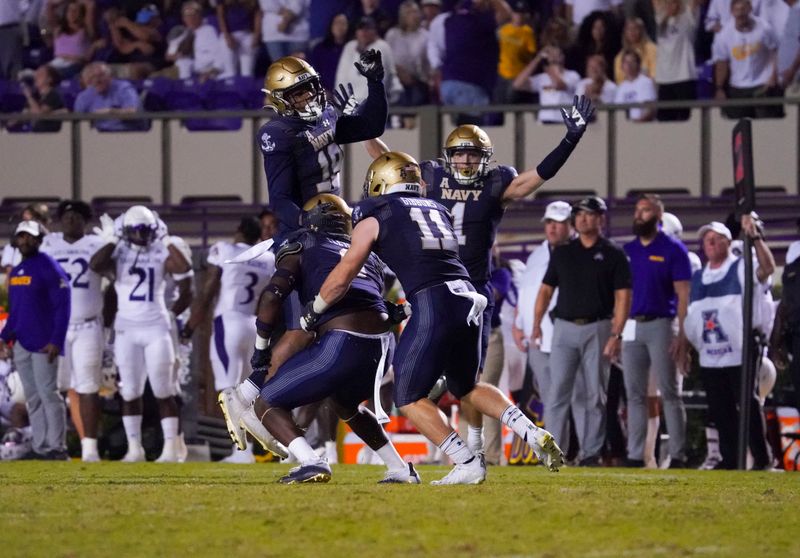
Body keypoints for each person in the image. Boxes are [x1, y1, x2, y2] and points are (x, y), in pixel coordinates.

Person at [302, 152, 565, 485]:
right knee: (466, 386)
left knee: (409, 397)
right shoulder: (436, 208)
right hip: (469, 296)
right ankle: (529, 430)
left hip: (434, 300)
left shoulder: (377, 212)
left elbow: (344, 274)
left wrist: (316, 309)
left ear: (382, 181)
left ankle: (466, 461)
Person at [364, 95, 595, 459]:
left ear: (485, 158)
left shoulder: (495, 183)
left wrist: (569, 140)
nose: (466, 160)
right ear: (448, 155)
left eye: (473, 154)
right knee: (458, 380)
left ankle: (467, 450)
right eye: (459, 153)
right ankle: (477, 445)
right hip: (455, 292)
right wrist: (365, 126)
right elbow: (389, 161)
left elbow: (537, 176)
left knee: (447, 381)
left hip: (459, 291)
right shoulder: (432, 176)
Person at [221, 194, 421, 484]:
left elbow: (272, 295)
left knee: (268, 403)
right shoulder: (368, 254)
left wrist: (261, 348)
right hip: (382, 345)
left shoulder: (304, 243)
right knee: (345, 404)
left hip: (343, 340)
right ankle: (400, 468)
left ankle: (311, 461)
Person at [533, 196, 633, 466]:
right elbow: (545, 290)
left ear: (601, 218)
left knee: (594, 394)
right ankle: (551, 452)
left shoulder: (613, 254)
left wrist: (616, 334)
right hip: (564, 327)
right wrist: (536, 324)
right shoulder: (564, 252)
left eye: (589, 214)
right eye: (579, 215)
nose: (583, 219)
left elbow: (623, 297)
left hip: (599, 326)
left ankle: (591, 453)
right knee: (557, 393)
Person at [89, 206, 192, 462]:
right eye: (136, 229)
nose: (141, 234)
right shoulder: (119, 252)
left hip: (157, 328)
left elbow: (184, 270)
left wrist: (166, 238)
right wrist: (113, 238)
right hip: (127, 329)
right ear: (126, 230)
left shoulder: (161, 249)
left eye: (146, 229)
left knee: (163, 389)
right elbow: (95, 264)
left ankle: (170, 449)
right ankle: (134, 449)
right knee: (130, 391)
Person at [682, 217, 776, 470]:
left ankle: (762, 457)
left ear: (727, 242)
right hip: (711, 352)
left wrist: (755, 237)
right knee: (720, 408)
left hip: (741, 347)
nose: (710, 243)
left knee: (748, 402)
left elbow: (767, 269)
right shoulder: (700, 276)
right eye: (707, 240)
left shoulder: (742, 267)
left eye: (716, 239)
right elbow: (692, 315)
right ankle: (730, 458)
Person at [181, 217, 275, 464]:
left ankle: (241, 452)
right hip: (253, 325)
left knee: (229, 391)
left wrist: (189, 328)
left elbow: (207, 292)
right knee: (248, 392)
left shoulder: (224, 250)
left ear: (239, 230)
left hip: (228, 323)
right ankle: (249, 450)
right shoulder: (267, 258)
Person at [621, 194, 691, 468]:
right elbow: (622, 296)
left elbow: (683, 296)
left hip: (662, 324)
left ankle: (678, 454)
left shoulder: (674, 249)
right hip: (632, 325)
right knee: (635, 394)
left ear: (658, 217)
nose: (639, 215)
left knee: (670, 393)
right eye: (638, 210)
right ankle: (636, 454)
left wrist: (682, 336)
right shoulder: (629, 250)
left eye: (646, 211)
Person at [39, 201, 106, 462]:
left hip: (88, 324)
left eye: (77, 216)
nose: (71, 220)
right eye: (67, 216)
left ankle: (90, 448)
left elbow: (110, 279)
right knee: (54, 387)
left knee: (88, 386)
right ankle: (54, 444)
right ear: (58, 220)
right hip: (55, 327)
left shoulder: (97, 244)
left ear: (86, 221)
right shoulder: (47, 244)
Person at [0, 220, 71, 460]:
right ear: (16, 240)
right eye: (21, 236)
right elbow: (16, 311)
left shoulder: (48, 266)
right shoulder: (18, 272)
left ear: (39, 240)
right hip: (22, 343)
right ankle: (41, 446)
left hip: (43, 343)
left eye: (30, 237)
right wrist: (4, 337)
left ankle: (57, 446)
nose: (25, 241)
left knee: (48, 393)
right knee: (33, 396)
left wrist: (56, 340)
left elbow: (63, 306)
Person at [512, 201, 573, 430]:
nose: (553, 227)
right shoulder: (538, 253)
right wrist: (518, 324)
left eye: (558, 222)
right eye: (549, 222)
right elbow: (526, 291)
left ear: (569, 224)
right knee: (549, 396)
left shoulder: (576, 251)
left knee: (571, 396)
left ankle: (577, 450)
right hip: (535, 336)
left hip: (562, 333)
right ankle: (558, 450)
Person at [427, 0, 512, 124]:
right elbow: (506, 15)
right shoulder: (479, 21)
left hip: (447, 85)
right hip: (469, 86)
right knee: (472, 134)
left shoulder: (450, 21)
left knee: (455, 132)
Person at [713, 0, 780, 118]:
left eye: (743, 11)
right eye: (737, 12)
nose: (740, 16)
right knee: (740, 126)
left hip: (762, 84)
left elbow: (776, 51)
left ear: (750, 10)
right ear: (732, 12)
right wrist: (719, 88)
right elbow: (722, 62)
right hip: (738, 87)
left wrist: (773, 76)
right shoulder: (724, 35)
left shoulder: (764, 28)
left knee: (765, 125)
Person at [335, 16, 403, 105]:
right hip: (351, 106)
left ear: (375, 31)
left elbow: (381, 79)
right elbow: (341, 77)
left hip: (375, 105)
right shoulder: (350, 47)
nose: (364, 32)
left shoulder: (382, 47)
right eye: (361, 28)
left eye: (368, 29)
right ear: (356, 32)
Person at [653, 0, 700, 121]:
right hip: (664, 79)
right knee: (664, 122)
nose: (670, 5)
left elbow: (694, 3)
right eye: (667, 3)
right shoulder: (660, 21)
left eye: (673, 3)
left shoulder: (688, 20)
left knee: (686, 119)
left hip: (684, 76)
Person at [513, 46, 582, 123]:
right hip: (545, 120)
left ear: (563, 57)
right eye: (551, 54)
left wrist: (550, 67)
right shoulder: (542, 77)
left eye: (557, 54)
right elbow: (517, 84)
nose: (554, 56)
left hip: (564, 121)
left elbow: (560, 85)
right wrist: (537, 59)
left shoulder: (573, 75)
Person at [73, 62, 145, 132]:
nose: (96, 80)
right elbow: (78, 120)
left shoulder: (123, 88)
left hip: (126, 134)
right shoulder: (84, 96)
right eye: (91, 78)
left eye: (100, 76)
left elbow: (134, 112)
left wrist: (112, 112)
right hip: (96, 136)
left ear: (110, 76)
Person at [385, 1, 431, 106]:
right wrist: (398, 71)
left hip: (418, 82)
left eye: (415, 12)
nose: (414, 15)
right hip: (395, 80)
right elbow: (386, 59)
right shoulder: (392, 35)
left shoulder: (425, 36)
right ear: (403, 16)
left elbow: (428, 63)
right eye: (409, 12)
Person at [165, 1, 223, 81]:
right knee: (183, 63)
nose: (191, 18)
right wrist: (179, 55)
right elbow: (169, 55)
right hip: (185, 69)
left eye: (194, 15)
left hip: (208, 71)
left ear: (200, 16)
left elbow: (219, 55)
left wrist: (213, 71)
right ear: (183, 19)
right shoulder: (181, 33)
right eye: (188, 16)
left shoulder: (209, 30)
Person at [45, 0, 97, 79]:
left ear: (81, 14)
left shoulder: (86, 30)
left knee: (50, 75)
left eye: (76, 10)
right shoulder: (58, 30)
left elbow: (90, 4)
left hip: (75, 64)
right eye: (70, 10)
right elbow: (50, 5)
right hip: (57, 63)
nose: (72, 13)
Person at [308, 13, 352, 95]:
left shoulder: (352, 48)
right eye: (337, 23)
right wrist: (322, 90)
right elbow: (313, 73)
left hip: (347, 93)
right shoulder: (319, 48)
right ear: (331, 26)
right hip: (324, 93)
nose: (340, 27)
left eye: (343, 23)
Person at [214, 0, 259, 78]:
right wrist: (227, 35)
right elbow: (220, 16)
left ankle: (246, 89)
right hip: (229, 34)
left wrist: (257, 35)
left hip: (247, 34)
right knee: (230, 72)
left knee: (247, 73)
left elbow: (257, 16)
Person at [20, 65, 66, 133]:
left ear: (49, 79)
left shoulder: (53, 95)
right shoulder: (35, 96)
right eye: (36, 74)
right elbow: (24, 115)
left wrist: (29, 97)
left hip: (49, 134)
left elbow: (39, 115)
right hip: (34, 133)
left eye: (40, 74)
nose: (36, 77)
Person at [615, 50, 657, 121]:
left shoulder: (646, 82)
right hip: (625, 126)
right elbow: (617, 111)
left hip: (643, 125)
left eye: (632, 62)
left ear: (638, 64)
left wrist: (637, 124)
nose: (629, 65)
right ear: (622, 66)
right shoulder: (621, 87)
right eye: (626, 62)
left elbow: (650, 110)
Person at [613, 17, 658, 83]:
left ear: (641, 30)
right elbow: (620, 81)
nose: (632, 31)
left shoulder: (652, 48)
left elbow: (655, 74)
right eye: (629, 29)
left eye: (635, 28)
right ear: (625, 33)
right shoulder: (620, 57)